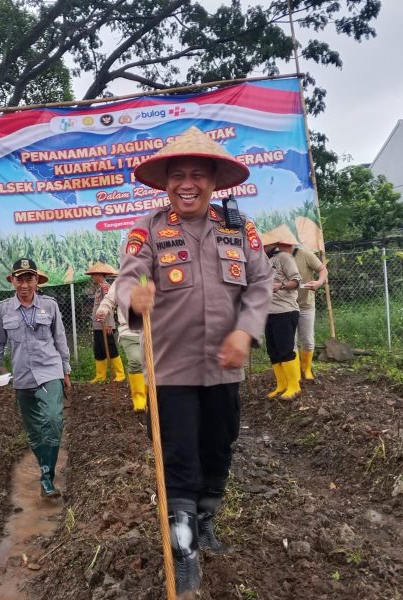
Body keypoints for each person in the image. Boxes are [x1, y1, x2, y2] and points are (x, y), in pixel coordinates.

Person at [115, 127, 273, 596]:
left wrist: (246, 331)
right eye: (178, 175)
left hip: (225, 366)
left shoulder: (239, 229)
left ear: (213, 181)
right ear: (166, 183)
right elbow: (126, 280)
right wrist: (134, 296)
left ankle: (205, 523)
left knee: (218, 448)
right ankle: (184, 553)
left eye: (197, 175)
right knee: (179, 459)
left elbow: (261, 285)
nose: (188, 183)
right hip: (171, 369)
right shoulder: (148, 231)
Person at [0, 258, 71, 499]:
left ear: (37, 281)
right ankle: (45, 473)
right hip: (22, 376)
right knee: (34, 432)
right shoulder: (3, 309)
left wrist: (65, 371)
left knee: (53, 421)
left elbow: (60, 339)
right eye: (19, 279)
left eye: (29, 279)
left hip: (50, 370)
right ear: (12, 281)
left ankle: (47, 478)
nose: (24, 284)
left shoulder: (50, 306)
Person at [261, 229, 302, 401]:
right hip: (267, 313)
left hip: (285, 311)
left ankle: (294, 386)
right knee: (273, 351)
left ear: (271, 244)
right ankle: (281, 385)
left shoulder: (284, 258)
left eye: (263, 244)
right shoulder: (260, 262)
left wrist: (281, 285)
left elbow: (297, 281)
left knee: (285, 349)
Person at [95, 280, 145, 411]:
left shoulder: (152, 275)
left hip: (154, 331)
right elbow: (110, 299)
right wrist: (103, 309)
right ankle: (140, 399)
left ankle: (153, 396)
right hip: (129, 330)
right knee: (136, 360)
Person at [86, 262, 126, 384]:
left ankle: (120, 374)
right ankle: (100, 376)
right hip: (98, 326)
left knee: (111, 348)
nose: (92, 277)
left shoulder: (105, 287)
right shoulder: (99, 288)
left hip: (106, 326)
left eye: (94, 275)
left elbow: (109, 305)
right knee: (99, 349)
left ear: (99, 275)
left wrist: (109, 324)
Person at [293, 245, 327, 380]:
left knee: (307, 340)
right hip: (285, 306)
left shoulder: (305, 254)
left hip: (306, 304)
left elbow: (323, 270)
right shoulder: (276, 256)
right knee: (291, 342)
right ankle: (294, 371)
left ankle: (306, 368)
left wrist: (319, 282)